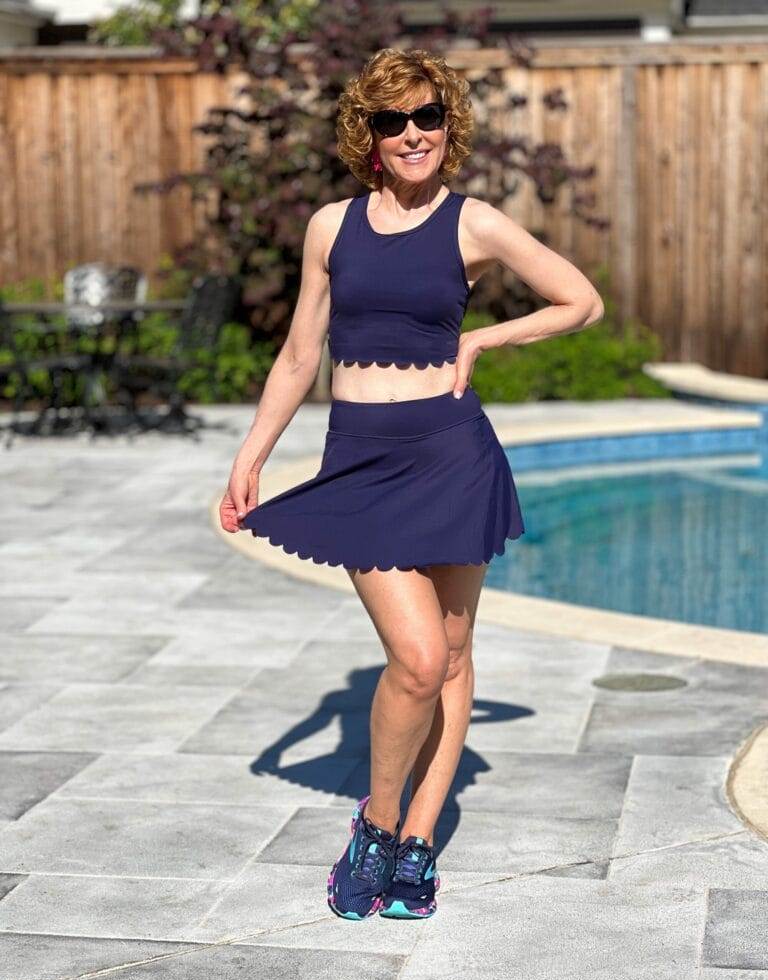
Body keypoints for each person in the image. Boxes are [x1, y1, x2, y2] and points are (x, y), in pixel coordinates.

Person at [220, 47, 603, 921]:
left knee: (455, 656)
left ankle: (419, 843)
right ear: (370, 134)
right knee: (419, 658)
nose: (413, 134)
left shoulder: (474, 225)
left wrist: (483, 341)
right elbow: (298, 354)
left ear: (447, 125)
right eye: (393, 121)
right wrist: (250, 456)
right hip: (360, 458)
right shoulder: (331, 226)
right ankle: (377, 824)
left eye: (428, 117)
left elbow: (579, 300)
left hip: (451, 454)